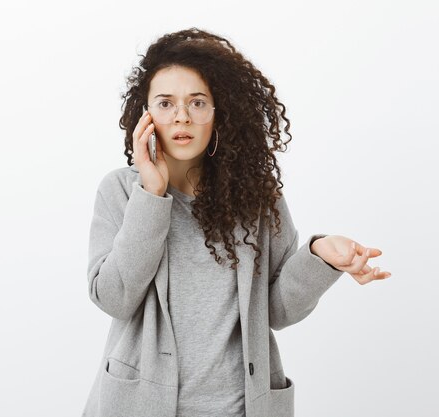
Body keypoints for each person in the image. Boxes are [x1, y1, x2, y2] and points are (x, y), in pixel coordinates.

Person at [82, 27, 391, 417]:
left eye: (197, 102)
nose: (181, 116)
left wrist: (320, 257)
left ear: (218, 112)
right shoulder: (121, 192)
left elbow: (277, 311)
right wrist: (152, 193)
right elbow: (114, 298)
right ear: (144, 115)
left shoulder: (257, 198)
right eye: (165, 103)